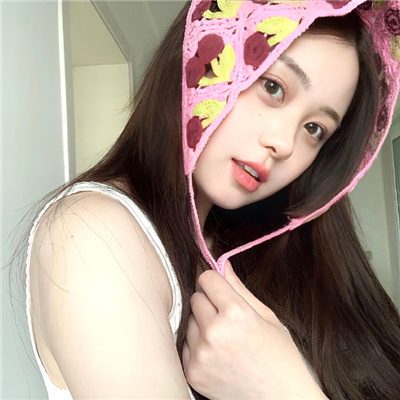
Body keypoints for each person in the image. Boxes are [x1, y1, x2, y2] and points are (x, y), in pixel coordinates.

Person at [23, 0, 400, 399]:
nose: (284, 144)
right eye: (273, 87)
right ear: (204, 57)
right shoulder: (94, 233)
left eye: (314, 128)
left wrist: (283, 387)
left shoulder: (258, 257)